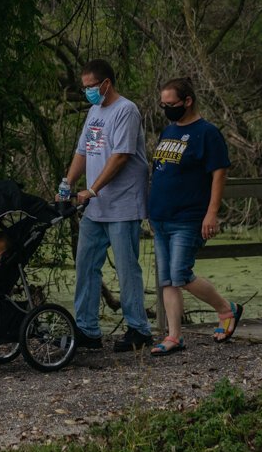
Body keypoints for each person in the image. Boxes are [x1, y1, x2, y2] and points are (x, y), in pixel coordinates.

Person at [59, 59, 154, 351]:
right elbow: (83, 150)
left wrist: (93, 189)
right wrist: (68, 183)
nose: (87, 91)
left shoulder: (126, 110)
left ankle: (138, 328)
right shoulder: (94, 111)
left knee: (127, 269)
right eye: (84, 86)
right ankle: (87, 330)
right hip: (96, 208)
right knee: (86, 265)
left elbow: (121, 156)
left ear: (106, 84)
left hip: (123, 204)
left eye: (90, 86)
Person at [145, 77, 242, 355]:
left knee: (181, 274)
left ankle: (226, 309)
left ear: (187, 101)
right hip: (160, 217)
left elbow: (219, 172)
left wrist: (211, 213)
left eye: (171, 104)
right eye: (163, 105)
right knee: (166, 279)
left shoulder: (207, 133)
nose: (166, 109)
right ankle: (174, 336)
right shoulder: (168, 132)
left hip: (187, 217)